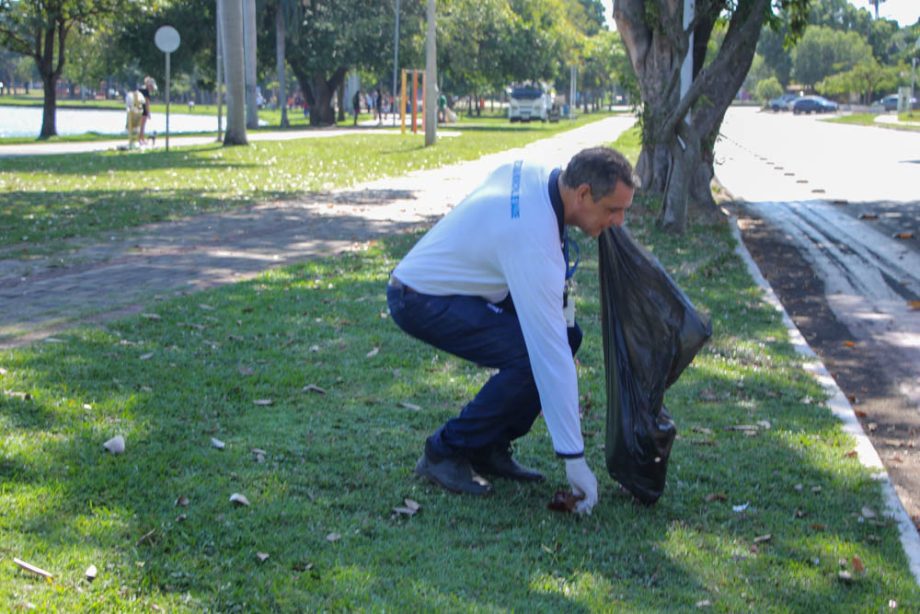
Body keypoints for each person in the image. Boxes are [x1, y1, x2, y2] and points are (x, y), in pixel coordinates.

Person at [386, 147, 637, 515]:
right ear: (583, 194)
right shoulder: (533, 243)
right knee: (531, 357)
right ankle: (445, 451)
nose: (619, 222)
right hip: (419, 296)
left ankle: (487, 446)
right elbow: (549, 355)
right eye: (613, 210)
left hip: (471, 283)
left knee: (569, 336)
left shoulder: (546, 175)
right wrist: (575, 459)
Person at [138, 76, 156, 145]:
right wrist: (148, 113)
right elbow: (147, 103)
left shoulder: (140, 89)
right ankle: (141, 139)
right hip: (143, 110)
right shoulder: (146, 91)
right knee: (142, 126)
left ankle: (141, 139)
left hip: (137, 109)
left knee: (140, 126)